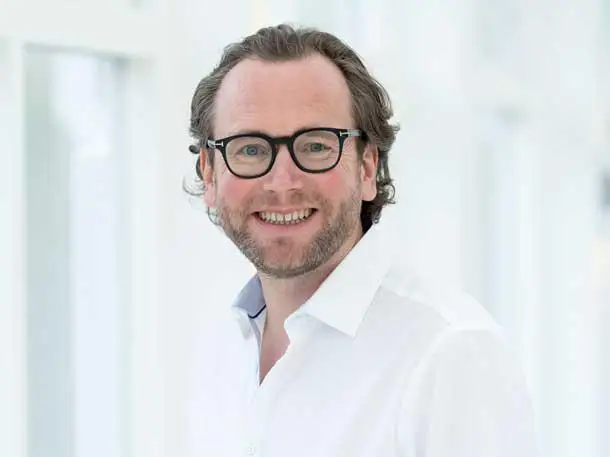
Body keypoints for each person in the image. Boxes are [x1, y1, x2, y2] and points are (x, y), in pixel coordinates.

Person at [186, 24, 539, 457]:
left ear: (368, 168)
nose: (282, 182)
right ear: (209, 173)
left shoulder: (450, 355)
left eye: (315, 146)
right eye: (250, 149)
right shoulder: (222, 346)